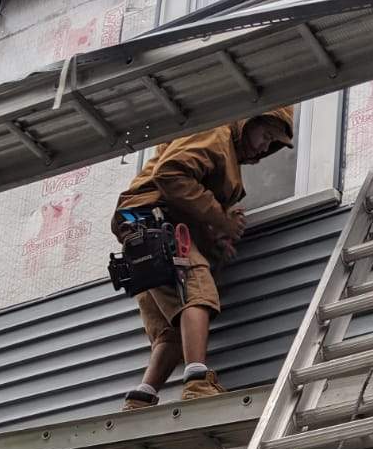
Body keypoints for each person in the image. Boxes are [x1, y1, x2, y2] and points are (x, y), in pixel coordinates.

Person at [112, 108, 294, 411]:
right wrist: (222, 220)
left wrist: (214, 239)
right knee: (198, 292)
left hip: (138, 227)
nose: (265, 147)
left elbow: (187, 203)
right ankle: (197, 382)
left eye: (271, 143)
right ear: (246, 121)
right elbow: (170, 174)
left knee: (170, 331)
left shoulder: (221, 150)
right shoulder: (216, 130)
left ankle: (141, 397)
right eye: (265, 135)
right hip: (152, 220)